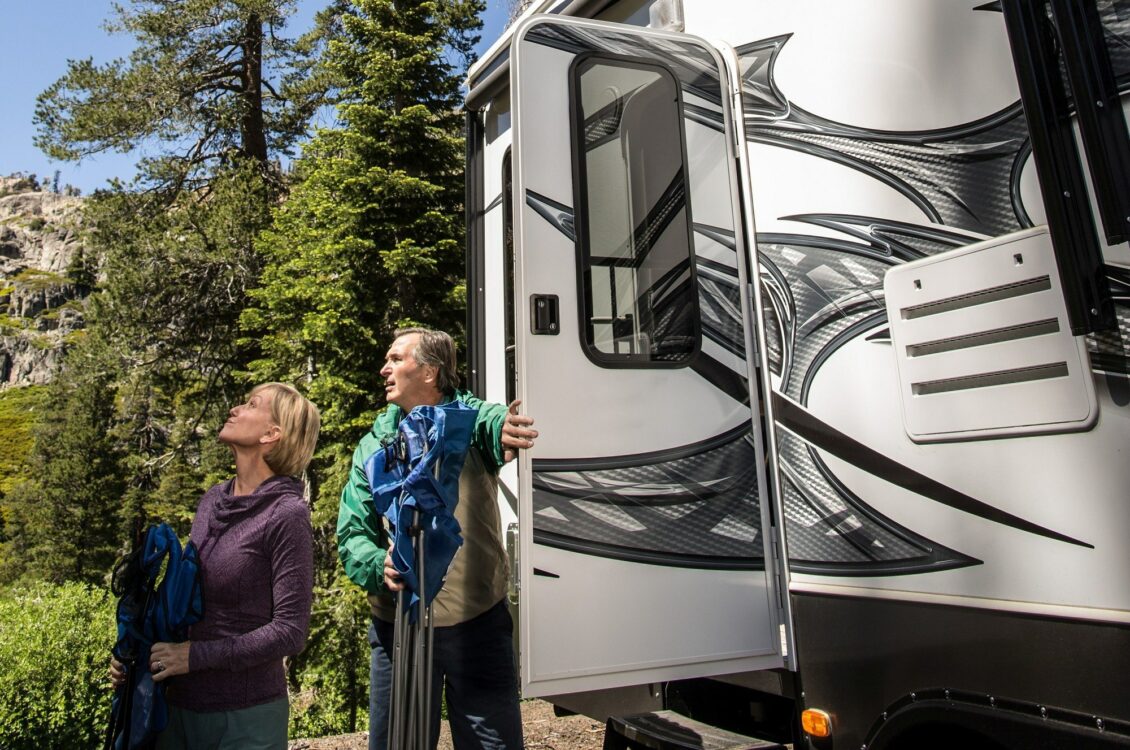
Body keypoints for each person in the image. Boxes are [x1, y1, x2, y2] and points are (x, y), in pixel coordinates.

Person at [337, 327, 537, 750]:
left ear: (429, 371)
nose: (383, 368)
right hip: (398, 629)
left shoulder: (467, 421)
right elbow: (353, 533)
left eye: (395, 359)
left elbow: (489, 421)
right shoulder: (373, 445)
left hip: (477, 624)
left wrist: (504, 425)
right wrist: (379, 564)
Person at [110, 382, 321, 750]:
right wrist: (139, 658)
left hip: (245, 719)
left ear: (272, 434)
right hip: (177, 708)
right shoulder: (213, 500)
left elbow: (290, 631)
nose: (236, 408)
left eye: (251, 404)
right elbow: (189, 606)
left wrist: (195, 657)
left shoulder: (286, 515)